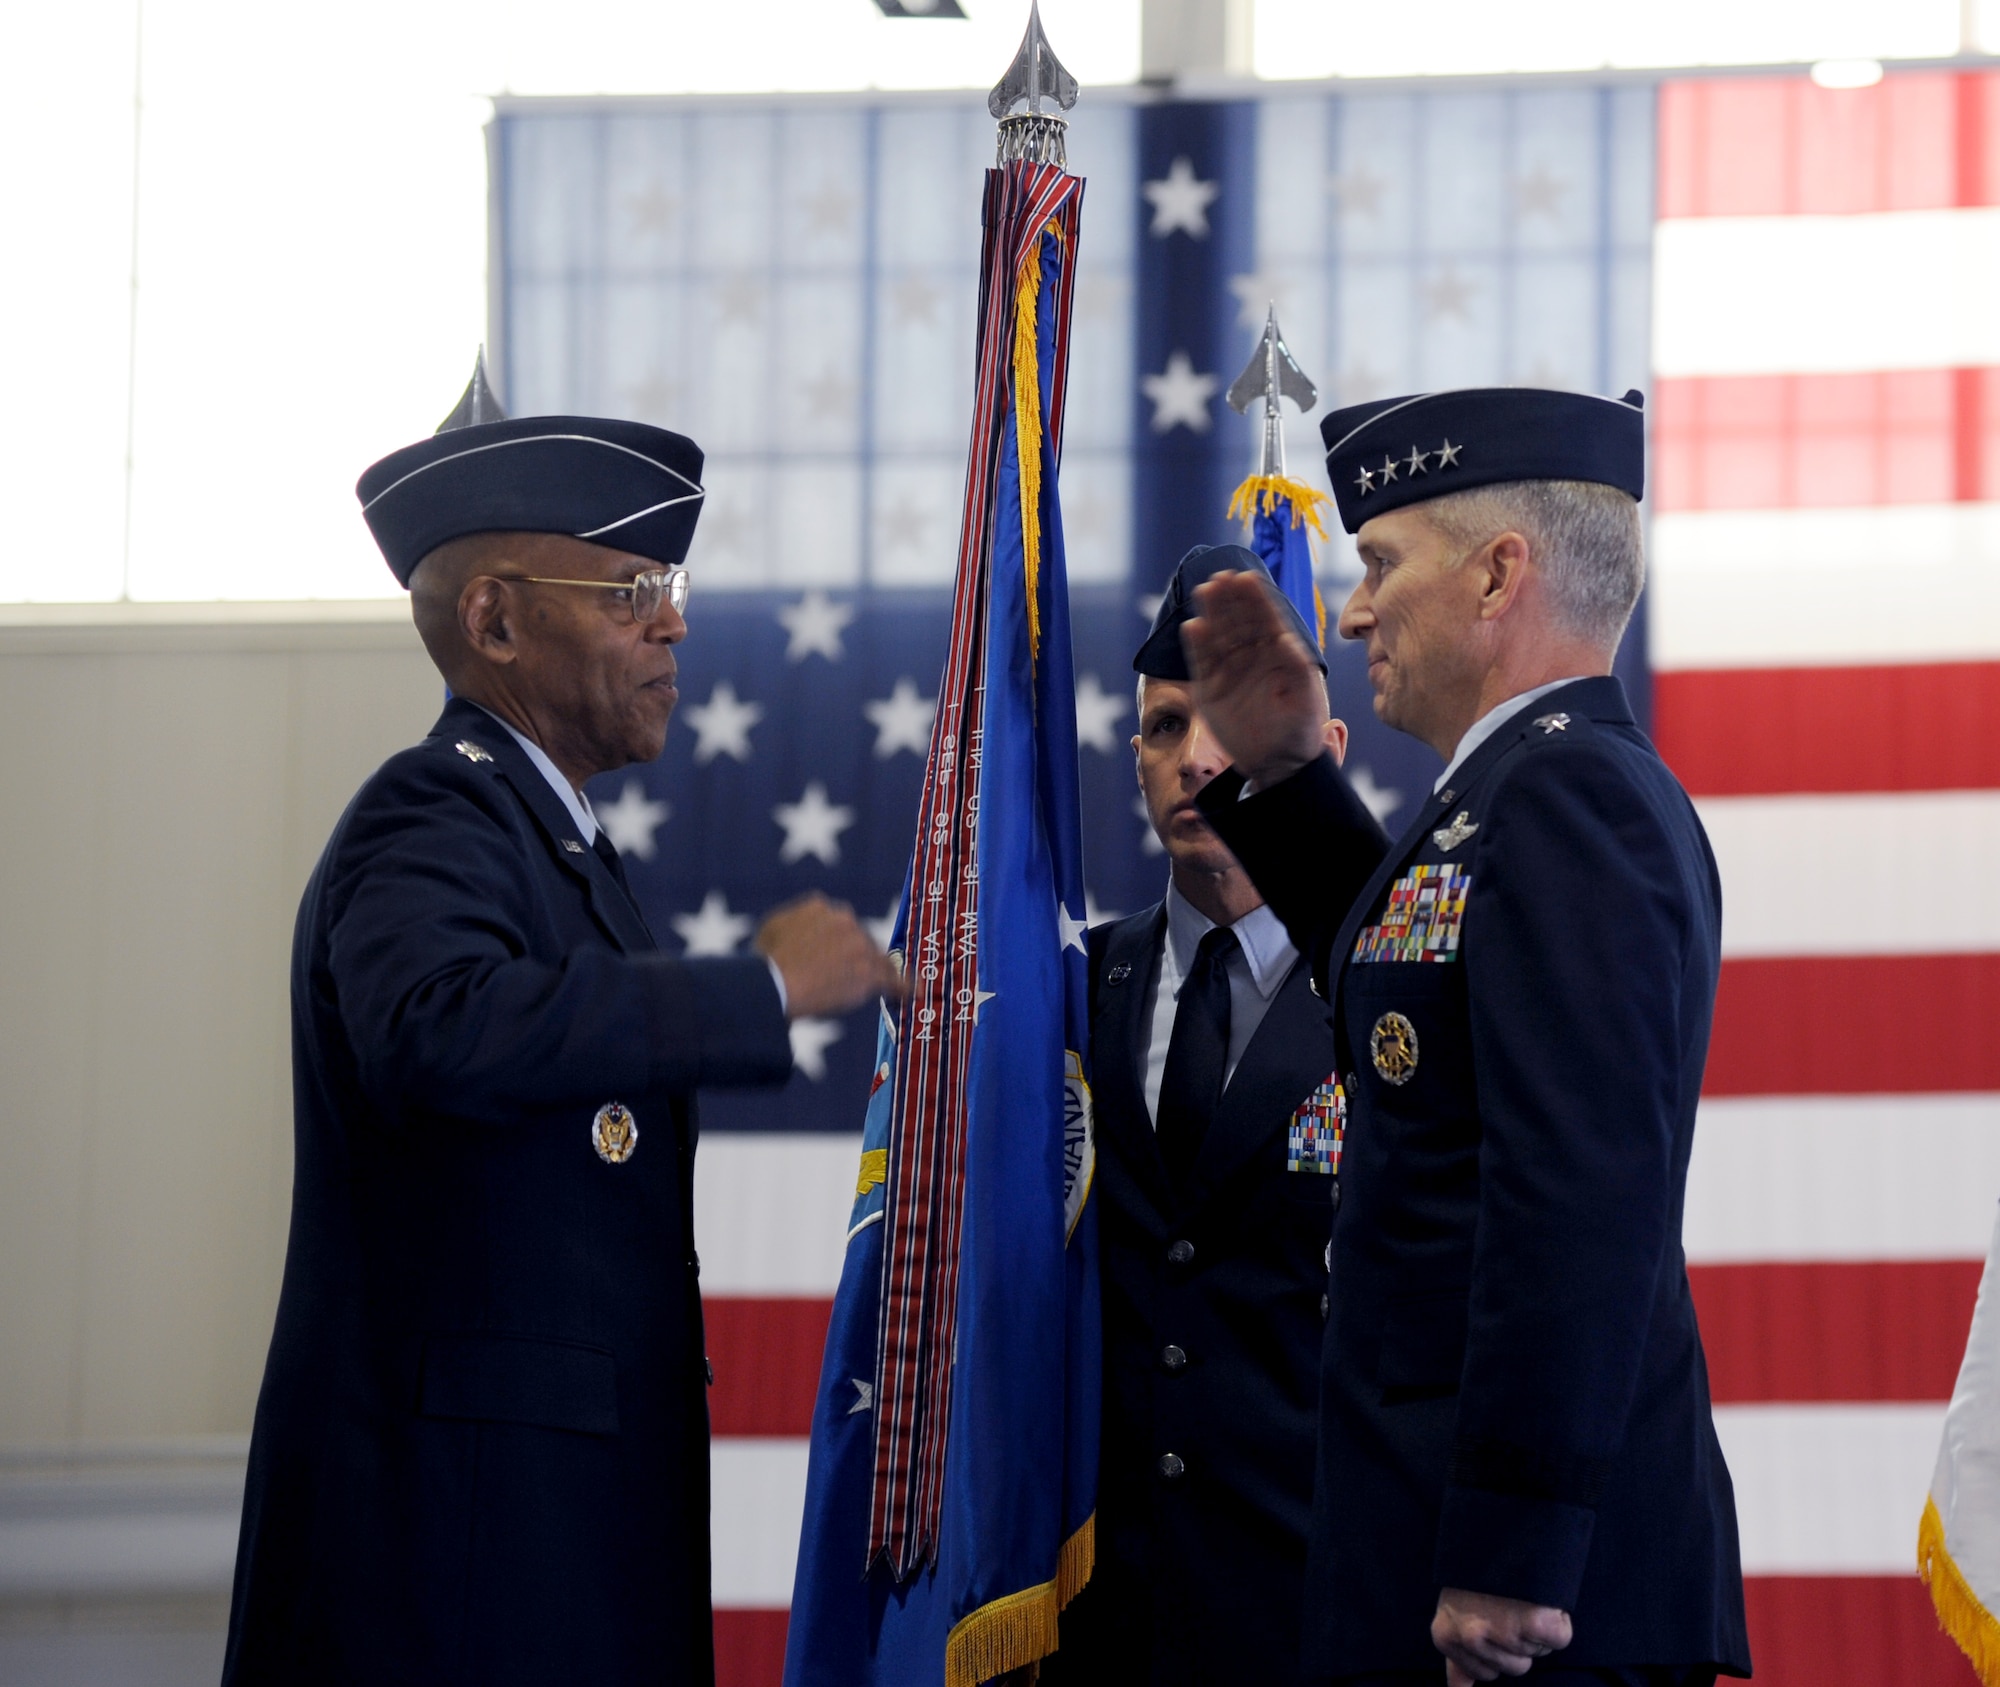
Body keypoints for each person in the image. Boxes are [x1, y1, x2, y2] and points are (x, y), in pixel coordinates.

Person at [222, 395, 898, 1687]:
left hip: (557, 1555)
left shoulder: (564, 856)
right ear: (496, 619)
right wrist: (752, 992)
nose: (675, 621)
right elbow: (437, 1027)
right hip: (455, 1579)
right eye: (633, 587)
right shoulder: (432, 810)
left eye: (672, 585)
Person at [1181, 390, 1750, 1686]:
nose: (1352, 610)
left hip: (1518, 1589)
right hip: (1450, 1541)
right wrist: (1279, 771)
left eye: (1380, 563)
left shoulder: (1569, 797)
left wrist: (1515, 1540)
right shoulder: (1522, 790)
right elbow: (1413, 1019)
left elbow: (1579, 1195)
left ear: (1500, 572)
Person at [1045, 546, 1387, 1686]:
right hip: (1107, 1632)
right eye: (1159, 728)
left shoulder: (1387, 994)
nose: (1193, 760)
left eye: (1227, 720)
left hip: (1319, 1618)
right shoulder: (1064, 994)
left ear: (1321, 752)